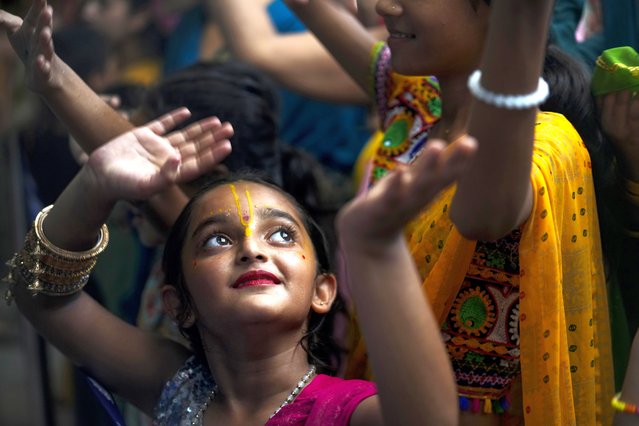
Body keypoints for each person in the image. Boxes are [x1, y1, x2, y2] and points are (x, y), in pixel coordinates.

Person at [2, 103, 474, 424]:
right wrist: (96, 183)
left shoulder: (346, 410)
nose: (252, 249)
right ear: (178, 303)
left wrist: (378, 249)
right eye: (217, 240)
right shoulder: (175, 387)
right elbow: (42, 300)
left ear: (323, 291)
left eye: (282, 234)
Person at [283, 0, 615, 424]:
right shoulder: (418, 111)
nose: (385, 6)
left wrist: (520, 25)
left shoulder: (541, 148)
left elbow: (482, 215)